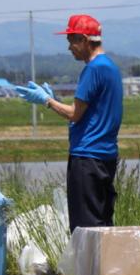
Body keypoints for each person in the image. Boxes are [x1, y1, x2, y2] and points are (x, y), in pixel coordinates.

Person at [15, 14, 123, 232]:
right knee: (103, 223)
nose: (69, 48)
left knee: (86, 228)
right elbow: (89, 112)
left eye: (71, 41)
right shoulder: (110, 67)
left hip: (87, 157)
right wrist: (56, 100)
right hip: (106, 157)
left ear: (84, 40)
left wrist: (46, 101)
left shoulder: (93, 69)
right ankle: (103, 265)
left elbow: (74, 114)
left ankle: (88, 267)